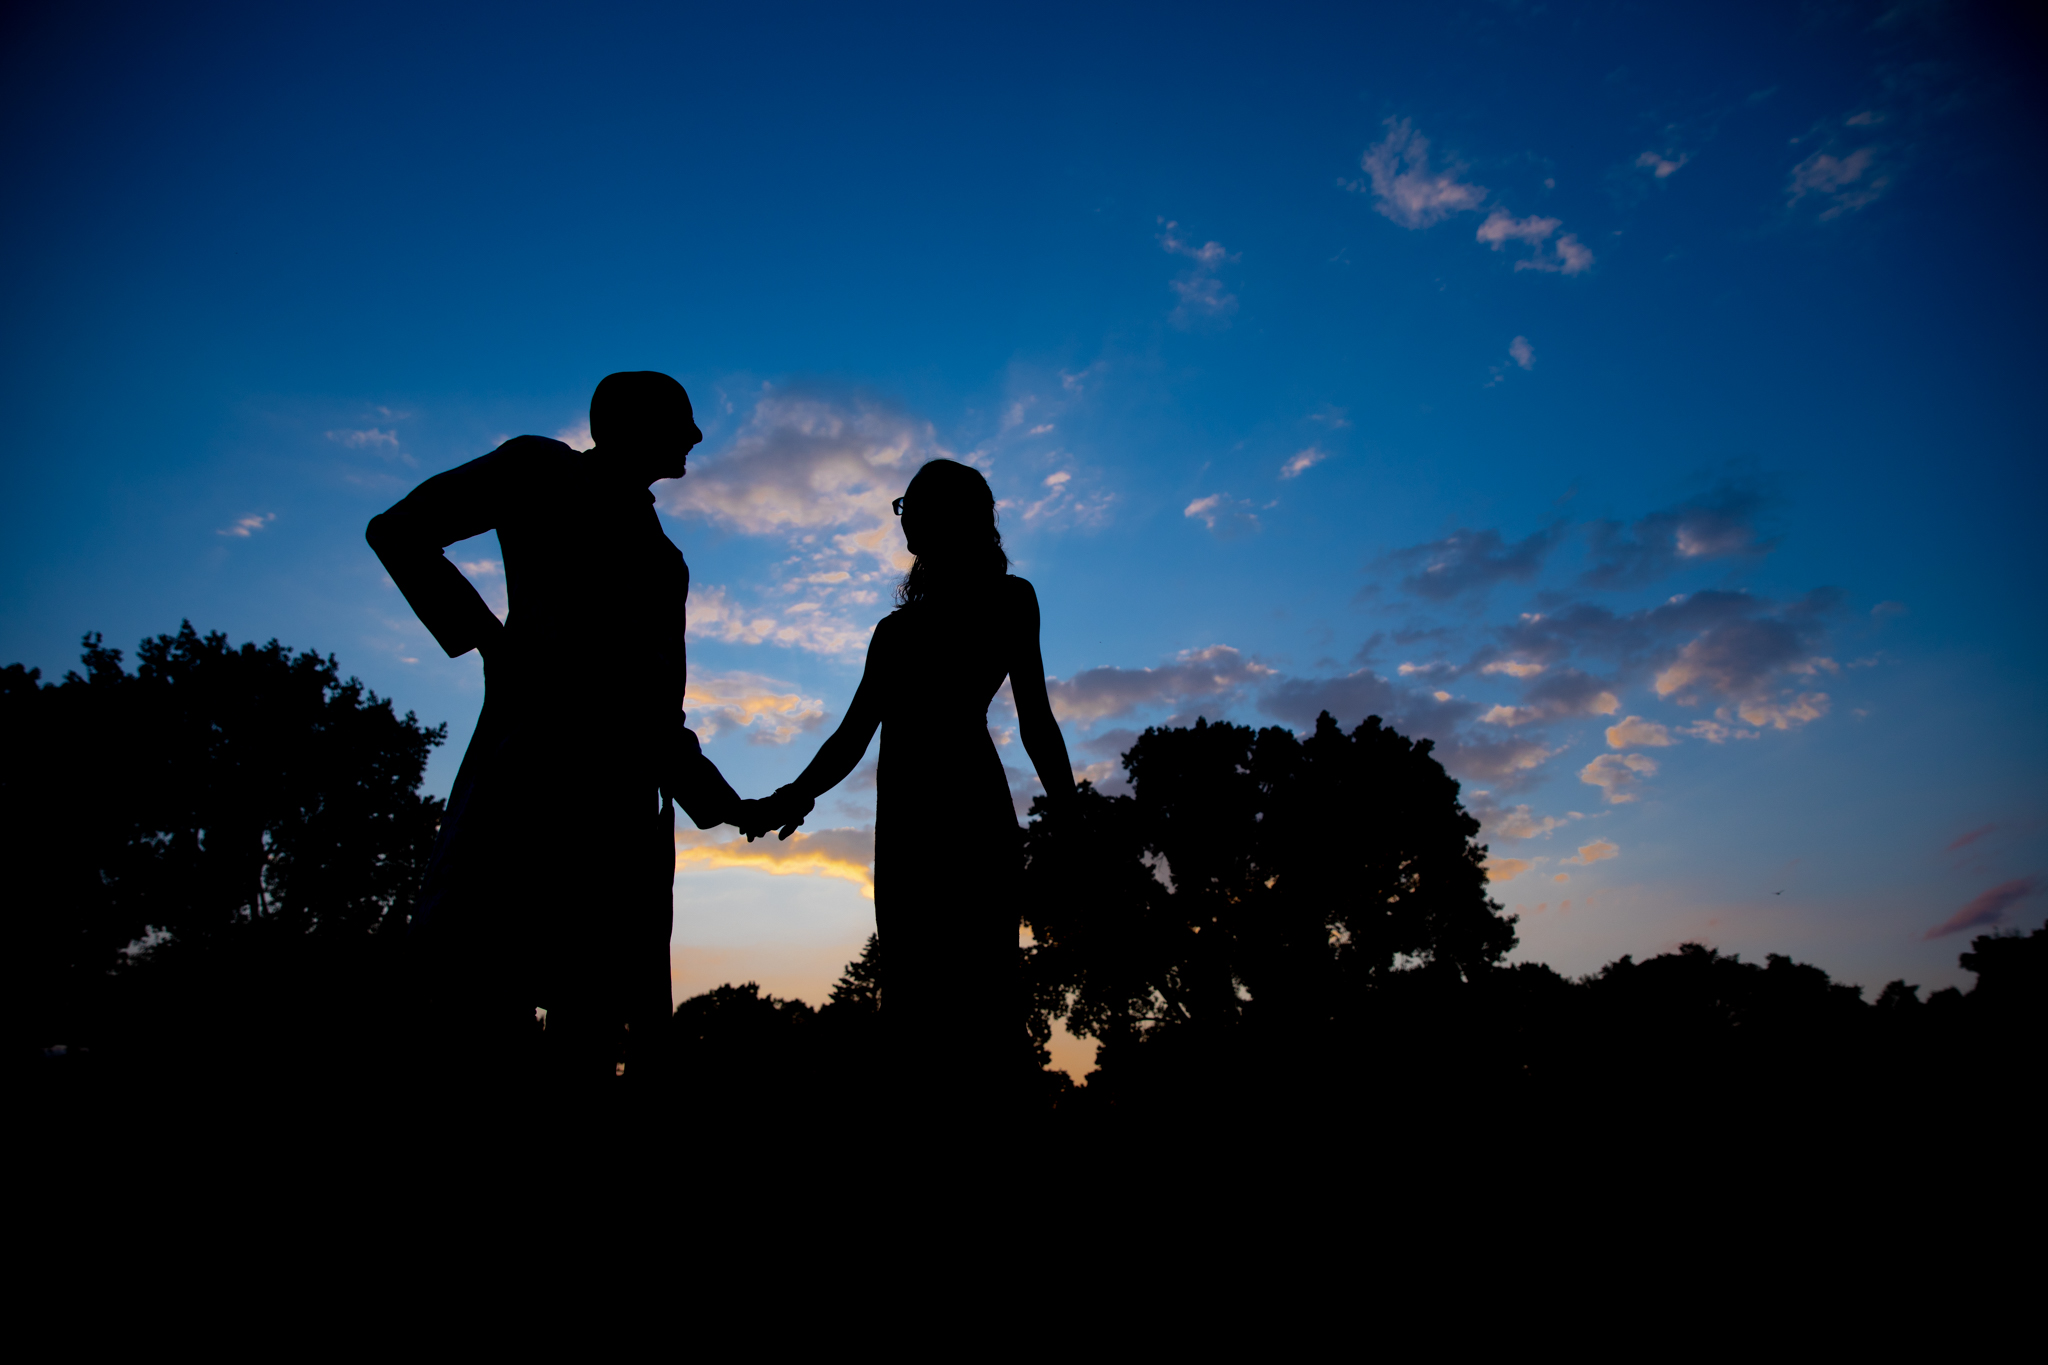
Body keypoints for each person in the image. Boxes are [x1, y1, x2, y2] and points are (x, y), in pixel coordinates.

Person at [366, 371, 743, 1093]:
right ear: (630, 423)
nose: (696, 436)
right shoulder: (539, 469)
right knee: (486, 1002)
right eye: (681, 420)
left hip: (618, 815)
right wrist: (491, 642)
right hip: (531, 783)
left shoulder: (666, 562)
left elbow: (657, 713)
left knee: (591, 1026)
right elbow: (399, 530)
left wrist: (729, 805)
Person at [745, 458, 1075, 1118]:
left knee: (981, 991)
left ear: (956, 517)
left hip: (962, 814)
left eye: (914, 505)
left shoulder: (1008, 602)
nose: (905, 518)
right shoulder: (897, 632)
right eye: (905, 506)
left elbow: (1037, 720)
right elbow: (849, 736)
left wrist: (1071, 818)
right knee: (918, 999)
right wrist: (795, 794)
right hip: (907, 822)